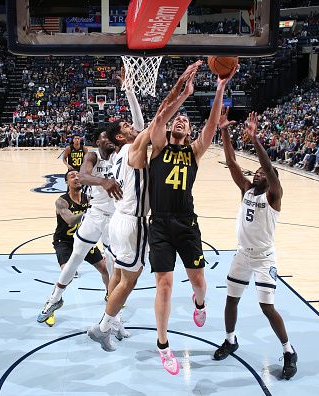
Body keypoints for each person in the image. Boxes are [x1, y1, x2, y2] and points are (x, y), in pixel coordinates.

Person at [87, 61, 202, 355]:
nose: (131, 125)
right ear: (121, 137)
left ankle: (109, 323)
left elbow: (148, 123)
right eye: (126, 127)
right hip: (133, 222)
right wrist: (182, 89)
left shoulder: (124, 150)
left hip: (118, 221)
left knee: (116, 275)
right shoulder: (135, 146)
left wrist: (129, 89)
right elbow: (161, 114)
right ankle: (102, 328)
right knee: (129, 280)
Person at [148, 64, 237, 375]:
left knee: (199, 282)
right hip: (159, 223)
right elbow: (160, 118)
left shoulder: (194, 152)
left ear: (188, 133)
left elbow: (212, 125)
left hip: (186, 223)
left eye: (186, 121)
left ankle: (199, 304)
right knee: (165, 286)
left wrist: (219, 88)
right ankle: (163, 345)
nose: (180, 121)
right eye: (178, 119)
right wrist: (183, 92)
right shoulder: (157, 147)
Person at [215, 111, 297, 380]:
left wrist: (254, 139)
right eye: (257, 171)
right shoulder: (247, 189)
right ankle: (230, 339)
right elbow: (231, 161)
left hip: (264, 258)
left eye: (264, 172)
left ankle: (288, 351)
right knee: (231, 300)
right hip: (241, 255)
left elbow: (269, 168)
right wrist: (225, 131)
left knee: (266, 307)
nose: (259, 173)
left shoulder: (275, 196)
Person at [37, 130, 122, 325]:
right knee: (71, 264)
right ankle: (54, 300)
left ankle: (113, 309)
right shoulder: (63, 199)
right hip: (68, 237)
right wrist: (102, 184)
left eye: (111, 136)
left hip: (109, 219)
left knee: (108, 267)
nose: (107, 138)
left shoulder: (120, 155)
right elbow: (83, 177)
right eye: (103, 136)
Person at [47, 170, 110, 326]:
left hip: (84, 240)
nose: (76, 178)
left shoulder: (88, 199)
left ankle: (110, 295)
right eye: (71, 176)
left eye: (77, 175)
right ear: (67, 182)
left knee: (104, 268)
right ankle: (51, 306)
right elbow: (70, 220)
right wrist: (89, 212)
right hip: (65, 242)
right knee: (66, 274)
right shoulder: (62, 201)